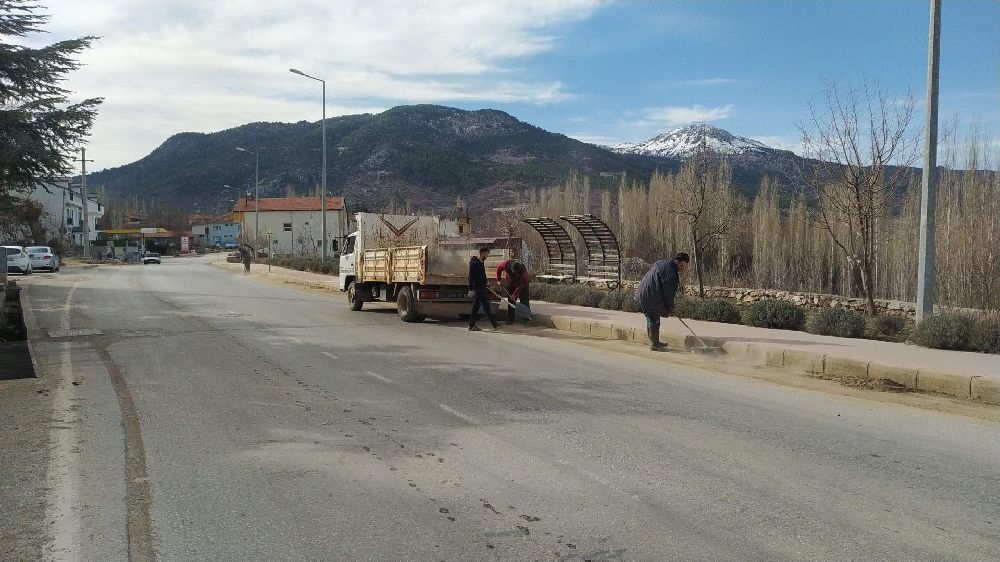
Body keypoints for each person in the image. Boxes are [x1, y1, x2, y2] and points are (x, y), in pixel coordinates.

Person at [635, 252, 690, 351]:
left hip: (643, 292)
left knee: (652, 318)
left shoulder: (662, 263)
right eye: (683, 266)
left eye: (685, 266)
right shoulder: (671, 274)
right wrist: (670, 306)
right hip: (649, 295)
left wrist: (667, 307)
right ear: (678, 262)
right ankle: (654, 344)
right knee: (653, 319)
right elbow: (669, 293)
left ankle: (655, 342)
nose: (683, 269)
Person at [468, 246, 499, 332]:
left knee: (475, 308)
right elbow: (471, 277)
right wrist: (470, 289)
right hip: (478, 289)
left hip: (482, 287)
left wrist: (486, 282)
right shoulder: (474, 263)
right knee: (486, 306)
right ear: (483, 253)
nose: (487, 256)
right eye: (487, 254)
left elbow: (482, 275)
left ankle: (471, 325)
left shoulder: (481, 262)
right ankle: (495, 324)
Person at [496, 259, 532, 324]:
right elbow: (499, 268)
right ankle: (510, 318)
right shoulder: (506, 265)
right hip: (511, 283)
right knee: (511, 301)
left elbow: (521, 286)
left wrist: (515, 294)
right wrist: (498, 280)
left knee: (524, 299)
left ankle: (526, 316)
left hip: (522, 285)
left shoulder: (524, 274)